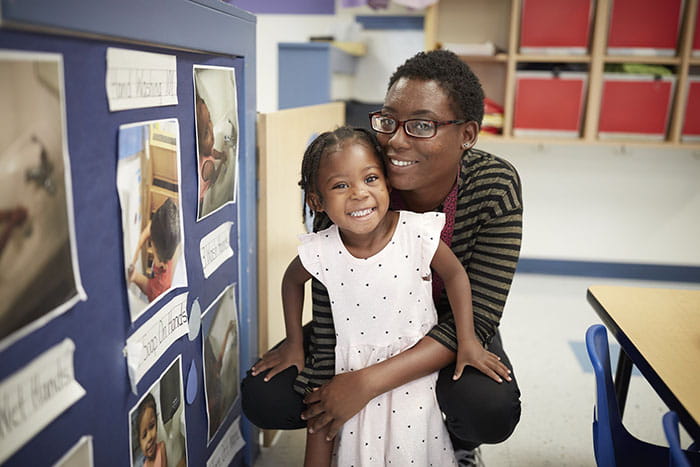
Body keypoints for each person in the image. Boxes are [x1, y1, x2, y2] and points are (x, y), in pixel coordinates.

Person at [242, 49, 523, 466]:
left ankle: (455, 441)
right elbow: (328, 286)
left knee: (486, 406)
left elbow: (479, 314)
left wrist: (363, 383)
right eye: (389, 120)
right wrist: (320, 366)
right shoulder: (357, 170)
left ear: (467, 134)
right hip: (359, 324)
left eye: (422, 125)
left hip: (451, 324)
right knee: (263, 395)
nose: (396, 139)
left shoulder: (494, 186)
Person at [272, 126, 511, 465]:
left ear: (386, 182)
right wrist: (294, 343)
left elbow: (457, 275)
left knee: (415, 444)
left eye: (370, 179)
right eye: (341, 185)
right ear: (317, 200)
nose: (359, 194)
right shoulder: (322, 250)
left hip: (413, 370)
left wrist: (469, 339)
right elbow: (291, 281)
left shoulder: (416, 231)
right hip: (350, 365)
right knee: (328, 421)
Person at [128, 198, 180, 303]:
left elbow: (150, 289)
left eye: (152, 246)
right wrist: (137, 248)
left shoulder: (161, 288)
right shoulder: (172, 231)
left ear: (162, 264)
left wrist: (135, 276)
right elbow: (153, 227)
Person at [134, 393, 168, 467]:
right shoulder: (143, 465)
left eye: (152, 426)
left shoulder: (162, 447)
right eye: (144, 435)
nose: (150, 437)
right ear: (139, 442)